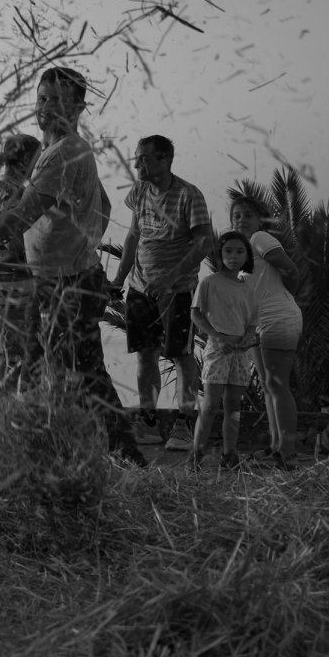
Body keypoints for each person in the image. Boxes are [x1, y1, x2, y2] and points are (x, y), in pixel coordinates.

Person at [0, 67, 145, 465]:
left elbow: (21, 215)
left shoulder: (68, 151)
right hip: (52, 281)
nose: (48, 107)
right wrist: (79, 236)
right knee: (52, 374)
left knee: (79, 378)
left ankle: (122, 457)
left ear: (79, 107)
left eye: (58, 100)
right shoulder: (51, 153)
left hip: (71, 285)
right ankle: (61, 455)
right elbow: (95, 208)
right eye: (43, 98)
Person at [112, 135, 216, 452]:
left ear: (165, 158)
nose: (137, 164)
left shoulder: (189, 195)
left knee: (182, 356)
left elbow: (204, 243)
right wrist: (118, 278)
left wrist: (171, 277)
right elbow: (132, 236)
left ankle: (183, 425)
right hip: (140, 288)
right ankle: (148, 421)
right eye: (136, 157)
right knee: (145, 356)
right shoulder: (140, 192)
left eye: (143, 158)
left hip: (178, 292)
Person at [230, 194, 304, 467]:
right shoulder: (241, 253)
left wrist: (286, 299)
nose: (241, 220)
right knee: (267, 386)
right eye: (236, 216)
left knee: (277, 385)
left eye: (248, 215)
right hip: (257, 326)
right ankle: (276, 448)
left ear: (259, 220)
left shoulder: (260, 239)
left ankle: (288, 453)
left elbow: (292, 271)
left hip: (278, 320)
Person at [0, 133, 42, 401]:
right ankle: (3, 414)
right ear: (26, 158)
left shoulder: (2, 188)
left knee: (16, 350)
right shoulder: (13, 191)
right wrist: (31, 261)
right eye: (38, 158)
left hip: (5, 283)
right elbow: (13, 234)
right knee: (13, 353)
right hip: (13, 284)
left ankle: (10, 412)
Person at [189, 231, 260, 470]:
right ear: (220, 253)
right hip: (217, 351)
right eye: (228, 250)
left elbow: (251, 323)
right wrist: (217, 337)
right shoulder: (209, 283)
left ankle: (229, 456)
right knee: (210, 405)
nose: (234, 256)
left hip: (240, 353)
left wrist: (249, 339)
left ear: (247, 256)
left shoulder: (249, 288)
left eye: (240, 251)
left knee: (234, 406)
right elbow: (195, 314)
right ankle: (196, 456)